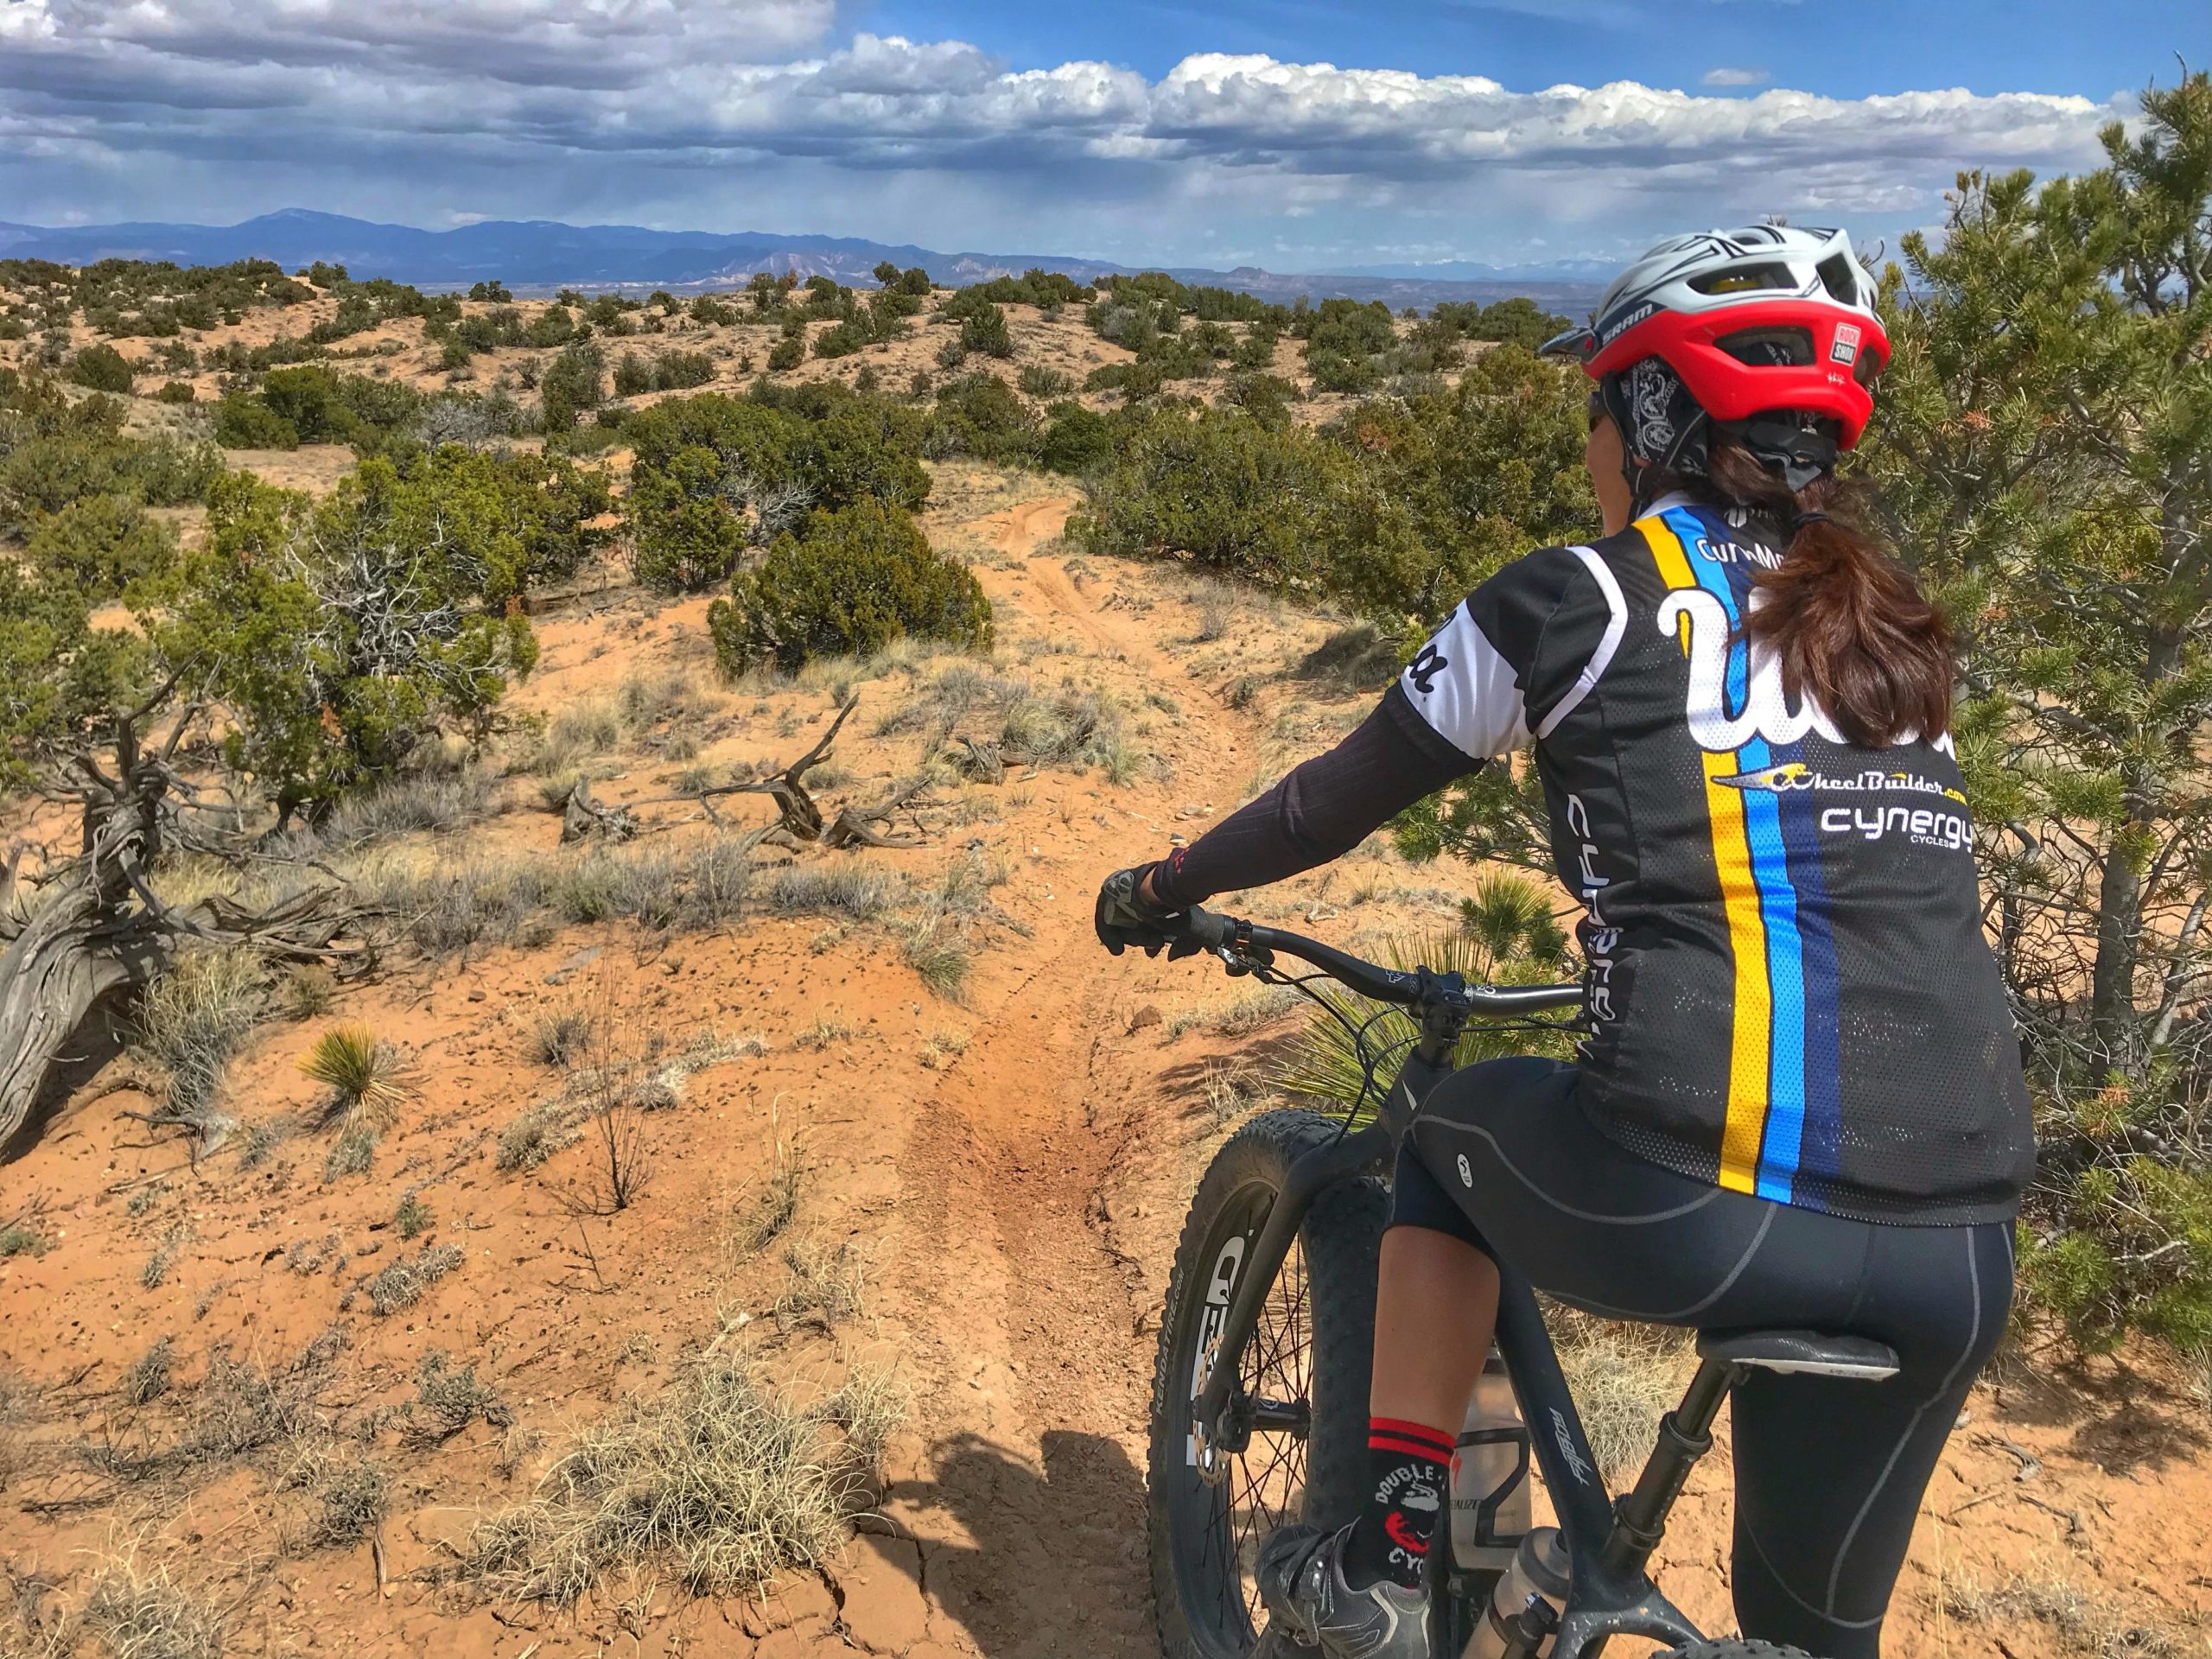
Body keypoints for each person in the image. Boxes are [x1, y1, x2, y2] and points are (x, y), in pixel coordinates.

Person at [1095, 225, 2033, 1659]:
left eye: (1596, 411)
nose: (1590, 447)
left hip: (1706, 1200)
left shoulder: (1571, 599)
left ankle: (1403, 1553)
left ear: (1648, 418)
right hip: (1959, 1245)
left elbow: (1325, 804)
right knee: (1812, 1639)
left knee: (1439, 1140)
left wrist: (1167, 885)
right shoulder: (1894, 636)